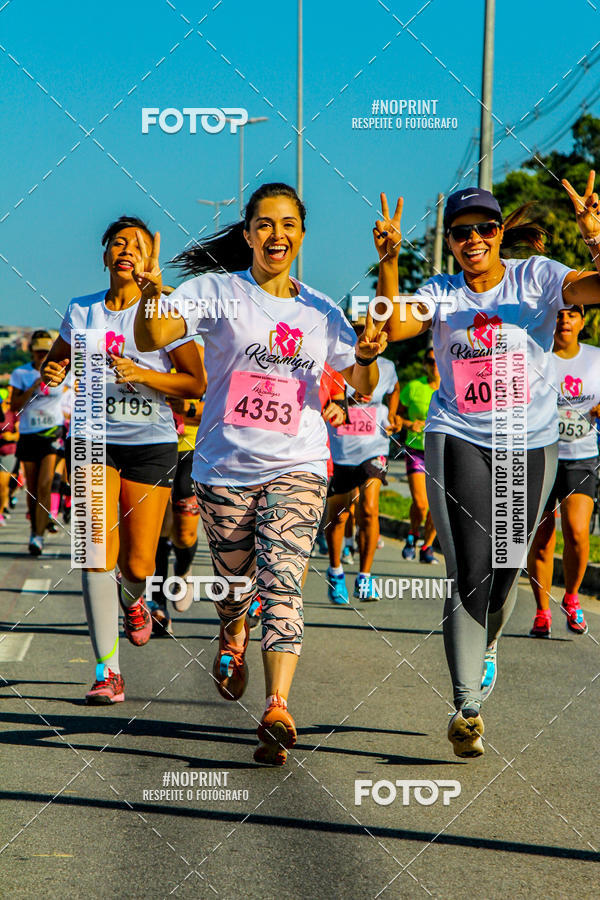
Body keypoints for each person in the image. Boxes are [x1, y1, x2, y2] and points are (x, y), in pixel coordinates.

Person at [133, 182, 386, 766]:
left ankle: (276, 707)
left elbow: (362, 386)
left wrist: (368, 359)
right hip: (223, 467)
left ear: (302, 234)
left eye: (289, 224)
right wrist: (150, 297)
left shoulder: (321, 310)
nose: (277, 235)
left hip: (298, 464)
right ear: (247, 234)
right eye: (265, 224)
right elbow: (154, 337)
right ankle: (230, 632)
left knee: (283, 583)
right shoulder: (217, 292)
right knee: (235, 584)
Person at [377, 172, 600, 757]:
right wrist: (390, 262)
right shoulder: (442, 290)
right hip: (459, 436)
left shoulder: (539, 277)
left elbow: (597, 290)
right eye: (460, 232)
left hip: (530, 440)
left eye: (484, 228)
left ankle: (489, 645)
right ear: (449, 241)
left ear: (501, 233)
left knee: (507, 569)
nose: (473, 238)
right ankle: (466, 705)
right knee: (470, 568)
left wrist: (595, 237)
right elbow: (397, 322)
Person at [41, 216, 205, 704]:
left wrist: (145, 375)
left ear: (149, 257)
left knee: (137, 562)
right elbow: (59, 360)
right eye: (118, 243)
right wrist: (55, 369)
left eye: (137, 244)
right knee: (94, 552)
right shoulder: (82, 309)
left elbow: (194, 382)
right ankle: (106, 671)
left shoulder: (164, 311)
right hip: (92, 438)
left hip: (151, 442)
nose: (127, 250)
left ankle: (136, 601)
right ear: (106, 255)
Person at [528, 305, 600, 637]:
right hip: (539, 454)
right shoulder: (535, 354)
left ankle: (572, 597)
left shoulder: (595, 358)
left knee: (576, 530)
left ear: (582, 321)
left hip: (581, 456)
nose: (564, 320)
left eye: (572, 314)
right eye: (558, 314)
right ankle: (542, 611)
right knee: (541, 539)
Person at [325, 330, 399, 603]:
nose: (369, 341)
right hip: (340, 447)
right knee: (340, 515)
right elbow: (324, 396)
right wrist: (347, 398)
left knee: (369, 509)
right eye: (361, 337)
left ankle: (365, 577)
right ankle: (335, 571)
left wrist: (393, 417)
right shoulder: (336, 364)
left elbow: (393, 392)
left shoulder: (389, 368)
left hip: (374, 447)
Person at [10, 331, 68, 555]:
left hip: (52, 431)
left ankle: (39, 536)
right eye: (39, 352)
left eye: (46, 351)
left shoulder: (60, 371)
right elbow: (14, 406)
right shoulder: (20, 373)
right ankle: (34, 530)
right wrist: (33, 386)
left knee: (45, 484)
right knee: (32, 489)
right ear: (32, 351)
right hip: (28, 433)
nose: (43, 355)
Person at [398, 348, 440, 563]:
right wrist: (408, 423)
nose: (433, 365)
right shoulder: (414, 387)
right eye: (429, 361)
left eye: (436, 360)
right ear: (424, 364)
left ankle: (428, 546)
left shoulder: (452, 388)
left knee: (438, 505)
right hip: (416, 449)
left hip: (442, 452)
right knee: (421, 503)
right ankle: (413, 534)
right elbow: (396, 416)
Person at [0, 395, 19, 525]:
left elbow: (19, 434)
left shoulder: (13, 414)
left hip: (8, 452)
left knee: (3, 484)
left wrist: (10, 436)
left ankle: (1, 511)